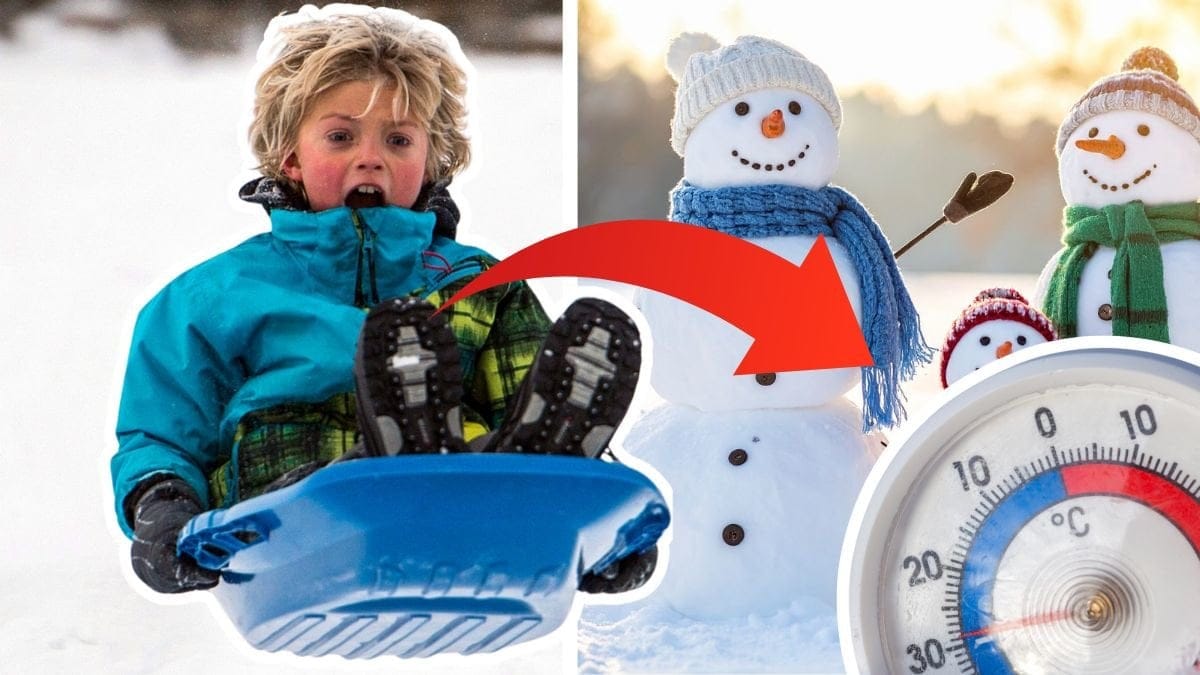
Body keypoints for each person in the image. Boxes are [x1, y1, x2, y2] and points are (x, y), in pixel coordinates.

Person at [111, 4, 653, 597]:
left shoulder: (475, 284)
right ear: (289, 155)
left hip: (467, 508)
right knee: (330, 476)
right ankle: (400, 465)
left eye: (398, 139)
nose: (371, 157)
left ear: (430, 161)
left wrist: (608, 524)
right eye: (341, 136)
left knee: (500, 447)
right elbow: (161, 434)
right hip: (284, 522)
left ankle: (548, 482)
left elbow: (527, 394)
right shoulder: (218, 295)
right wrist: (163, 506)